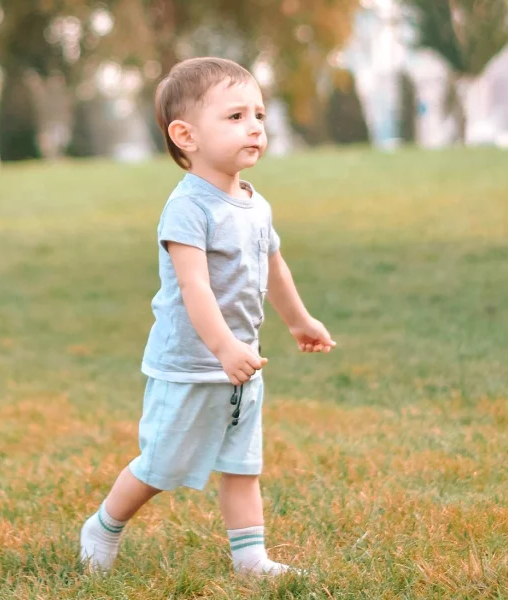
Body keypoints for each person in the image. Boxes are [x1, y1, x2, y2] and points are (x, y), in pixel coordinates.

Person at [78, 56, 337, 577]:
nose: (255, 127)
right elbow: (193, 286)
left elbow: (273, 266)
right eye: (236, 116)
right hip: (191, 365)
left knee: (242, 465)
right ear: (186, 136)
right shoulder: (188, 209)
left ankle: (250, 558)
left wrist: (298, 320)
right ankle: (103, 526)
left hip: (241, 364)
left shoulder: (255, 204)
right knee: (160, 466)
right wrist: (223, 348)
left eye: (258, 115)